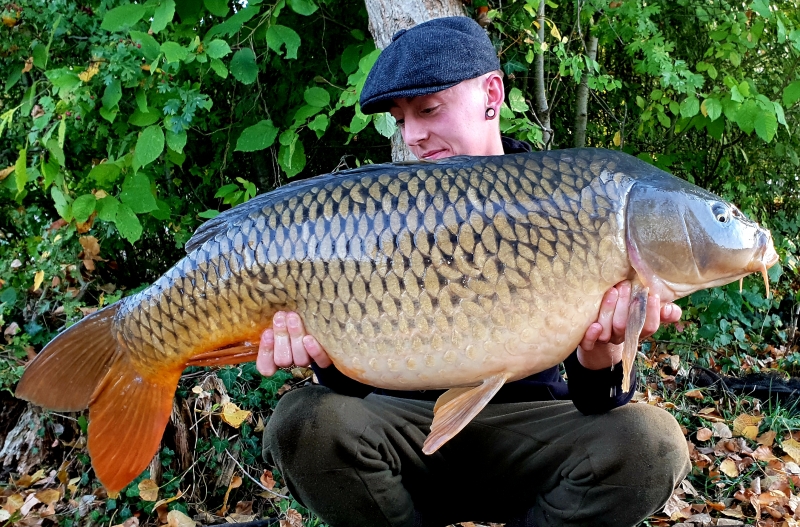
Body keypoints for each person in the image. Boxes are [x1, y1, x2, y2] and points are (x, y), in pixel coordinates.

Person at [259, 17, 690, 527]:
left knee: (653, 444)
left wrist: (602, 357)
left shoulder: (575, 199)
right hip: (406, 438)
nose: (414, 136)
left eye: (428, 109)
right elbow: (353, 398)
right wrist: (323, 356)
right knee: (303, 423)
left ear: (492, 93)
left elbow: (600, 404)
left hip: (531, 438)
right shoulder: (377, 216)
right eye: (401, 120)